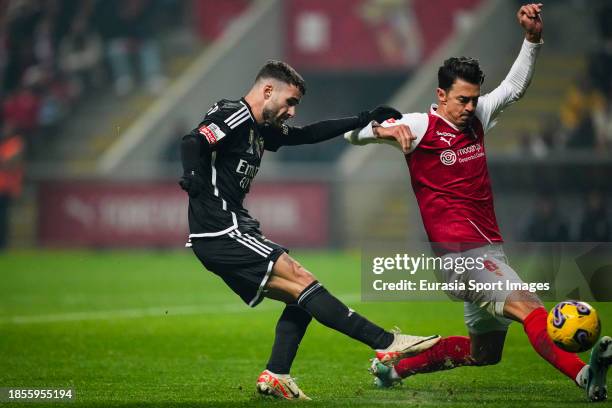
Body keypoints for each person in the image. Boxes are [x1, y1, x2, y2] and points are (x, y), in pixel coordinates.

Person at [345, 3, 612, 402]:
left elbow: (513, 88)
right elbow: (352, 135)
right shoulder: (420, 126)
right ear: (441, 95)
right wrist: (378, 129)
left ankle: (393, 367)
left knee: (483, 353)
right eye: (462, 100)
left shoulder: (477, 117)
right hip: (460, 256)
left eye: (474, 99)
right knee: (529, 305)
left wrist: (532, 40)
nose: (470, 107)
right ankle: (585, 374)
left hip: (489, 251)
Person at [178, 60, 440, 400]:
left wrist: (364, 117)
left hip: (231, 227)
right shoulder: (236, 114)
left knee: (302, 299)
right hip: (221, 228)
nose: (291, 111)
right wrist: (194, 175)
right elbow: (192, 142)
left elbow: (307, 134)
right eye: (290, 102)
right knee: (303, 280)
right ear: (267, 90)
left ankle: (276, 375)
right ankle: (387, 344)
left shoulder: (260, 128)